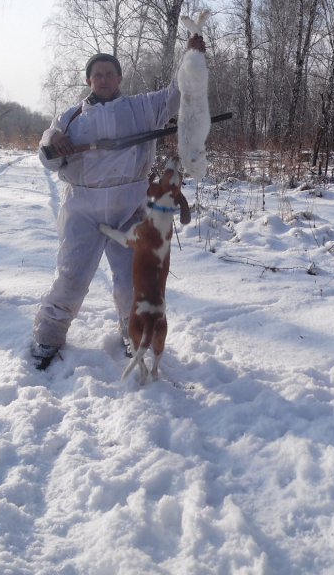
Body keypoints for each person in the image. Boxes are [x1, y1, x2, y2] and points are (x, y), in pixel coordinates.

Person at [31, 38, 205, 369]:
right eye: (97, 75)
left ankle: (135, 334)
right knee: (71, 277)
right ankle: (48, 336)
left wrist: (192, 58)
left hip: (130, 209)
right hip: (83, 209)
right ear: (88, 80)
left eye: (109, 74)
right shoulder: (69, 119)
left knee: (133, 280)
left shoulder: (142, 108)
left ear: (119, 78)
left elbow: (177, 93)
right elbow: (47, 157)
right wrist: (53, 141)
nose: (104, 79)